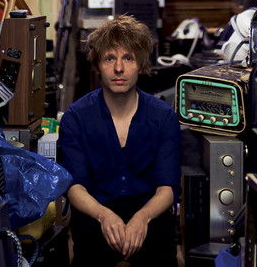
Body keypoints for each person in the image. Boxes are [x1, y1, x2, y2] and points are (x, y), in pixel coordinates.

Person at [58, 14, 181, 266]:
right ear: (97, 65)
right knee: (88, 234)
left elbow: (167, 188)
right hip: (96, 216)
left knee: (160, 235)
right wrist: (104, 216)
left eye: (128, 58)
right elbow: (75, 187)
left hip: (150, 216)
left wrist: (142, 218)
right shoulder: (75, 118)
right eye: (109, 59)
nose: (118, 69)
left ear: (141, 64)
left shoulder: (164, 116)